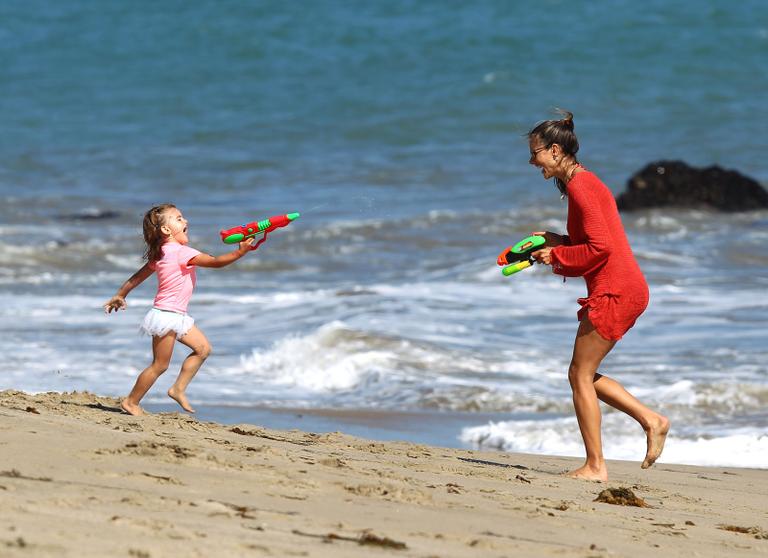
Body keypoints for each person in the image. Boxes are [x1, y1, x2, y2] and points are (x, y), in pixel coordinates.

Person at [526, 110, 670, 481]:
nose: (532, 161)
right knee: (583, 374)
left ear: (555, 150)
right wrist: (560, 242)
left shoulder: (581, 187)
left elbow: (601, 249)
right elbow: (592, 242)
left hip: (616, 291)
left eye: (536, 153)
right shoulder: (583, 183)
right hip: (623, 288)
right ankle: (652, 420)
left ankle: (596, 466)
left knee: (579, 374)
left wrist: (556, 256)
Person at [103, 204, 266, 416]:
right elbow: (216, 262)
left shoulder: (161, 253)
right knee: (159, 365)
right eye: (179, 218)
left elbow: (137, 277)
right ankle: (131, 402)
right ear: (166, 230)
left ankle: (177, 389)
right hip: (166, 316)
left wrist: (121, 294)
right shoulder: (181, 252)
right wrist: (240, 252)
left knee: (203, 349)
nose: (185, 221)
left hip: (176, 316)